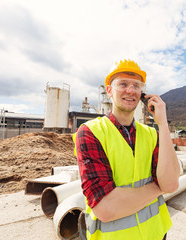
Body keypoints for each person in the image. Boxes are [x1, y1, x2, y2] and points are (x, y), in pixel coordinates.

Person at [74, 59, 180, 240]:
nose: (130, 90)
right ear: (109, 91)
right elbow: (106, 208)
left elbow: (170, 184)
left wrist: (162, 124)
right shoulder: (91, 132)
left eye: (136, 86)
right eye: (123, 84)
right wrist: (158, 188)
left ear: (142, 93)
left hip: (156, 234)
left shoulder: (152, 134)